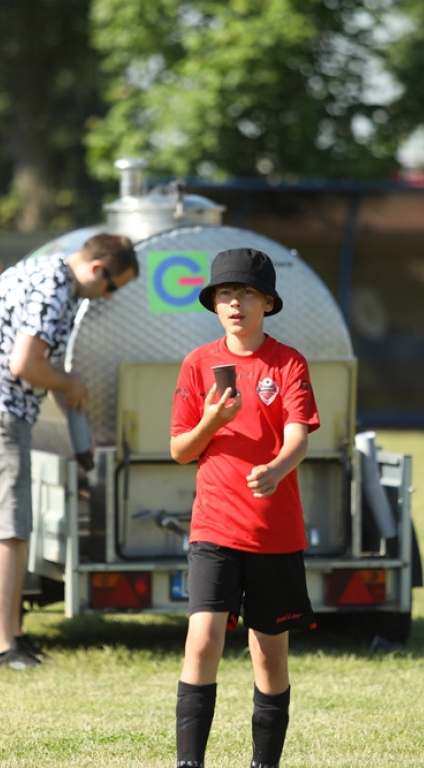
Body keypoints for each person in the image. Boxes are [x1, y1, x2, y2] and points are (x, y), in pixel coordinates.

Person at [0, 232, 139, 670]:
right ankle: (0, 648)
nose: (108, 297)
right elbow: (25, 364)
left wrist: (65, 391)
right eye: (111, 286)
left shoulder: (43, 272)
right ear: (97, 268)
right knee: (6, 528)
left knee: (17, 527)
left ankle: (14, 636)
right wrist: (70, 382)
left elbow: (36, 361)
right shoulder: (54, 286)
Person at [169, 247, 320, 767]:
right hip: (214, 527)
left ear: (268, 303)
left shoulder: (288, 362)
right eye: (226, 294)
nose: (235, 303)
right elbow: (180, 450)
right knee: (202, 639)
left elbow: (299, 437)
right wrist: (211, 421)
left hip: (274, 532)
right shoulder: (198, 364)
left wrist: (276, 469)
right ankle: (189, 762)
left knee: (269, 656)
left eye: (247, 293)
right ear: (213, 304)